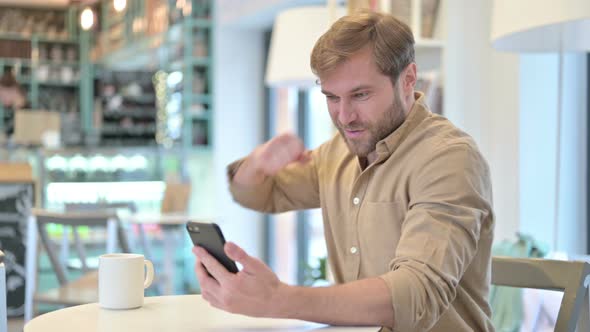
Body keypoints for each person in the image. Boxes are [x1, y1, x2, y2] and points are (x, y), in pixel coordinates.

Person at [193, 10, 495, 332]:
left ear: (408, 79)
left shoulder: (448, 158)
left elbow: (415, 294)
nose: (345, 116)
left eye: (360, 95)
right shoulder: (339, 152)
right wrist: (258, 161)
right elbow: (259, 193)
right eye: (331, 97)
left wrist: (278, 299)